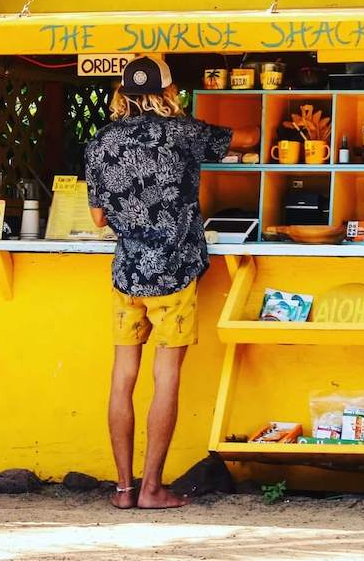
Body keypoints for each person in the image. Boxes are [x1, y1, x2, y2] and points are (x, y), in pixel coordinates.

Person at [85, 56, 259, 510]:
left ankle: (124, 490)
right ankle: (152, 488)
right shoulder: (182, 132)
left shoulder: (102, 142)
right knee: (166, 380)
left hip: (127, 273)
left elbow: (99, 217)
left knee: (122, 379)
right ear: (167, 91)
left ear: (122, 93)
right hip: (175, 272)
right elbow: (248, 138)